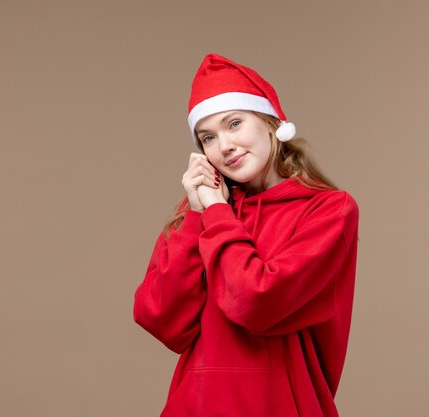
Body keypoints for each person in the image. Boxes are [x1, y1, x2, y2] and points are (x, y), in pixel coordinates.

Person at [133, 53, 359, 417]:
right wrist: (195, 216)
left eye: (234, 123)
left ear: (270, 122)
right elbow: (161, 319)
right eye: (208, 137)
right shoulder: (200, 210)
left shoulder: (329, 210)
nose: (224, 146)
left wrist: (216, 213)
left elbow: (256, 302)